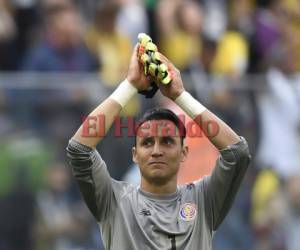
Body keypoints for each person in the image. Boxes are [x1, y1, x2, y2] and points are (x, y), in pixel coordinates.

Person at [66, 44, 251, 249]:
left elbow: (237, 152)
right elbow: (79, 149)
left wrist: (180, 96)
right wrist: (129, 85)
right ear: (135, 155)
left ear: (183, 153)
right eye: (147, 142)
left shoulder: (203, 200)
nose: (156, 150)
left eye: (167, 141)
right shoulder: (115, 201)